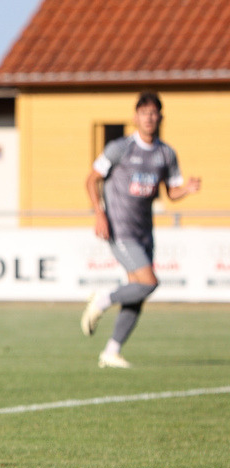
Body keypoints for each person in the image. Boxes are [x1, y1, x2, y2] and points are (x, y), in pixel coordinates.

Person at [81, 92, 201, 368]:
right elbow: (91, 179)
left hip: (145, 231)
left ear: (160, 117)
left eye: (154, 113)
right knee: (149, 282)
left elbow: (171, 192)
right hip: (120, 228)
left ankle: (111, 351)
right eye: (144, 112)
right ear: (135, 117)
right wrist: (99, 214)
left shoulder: (165, 153)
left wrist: (188, 190)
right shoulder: (120, 148)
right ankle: (103, 299)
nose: (149, 118)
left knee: (139, 290)